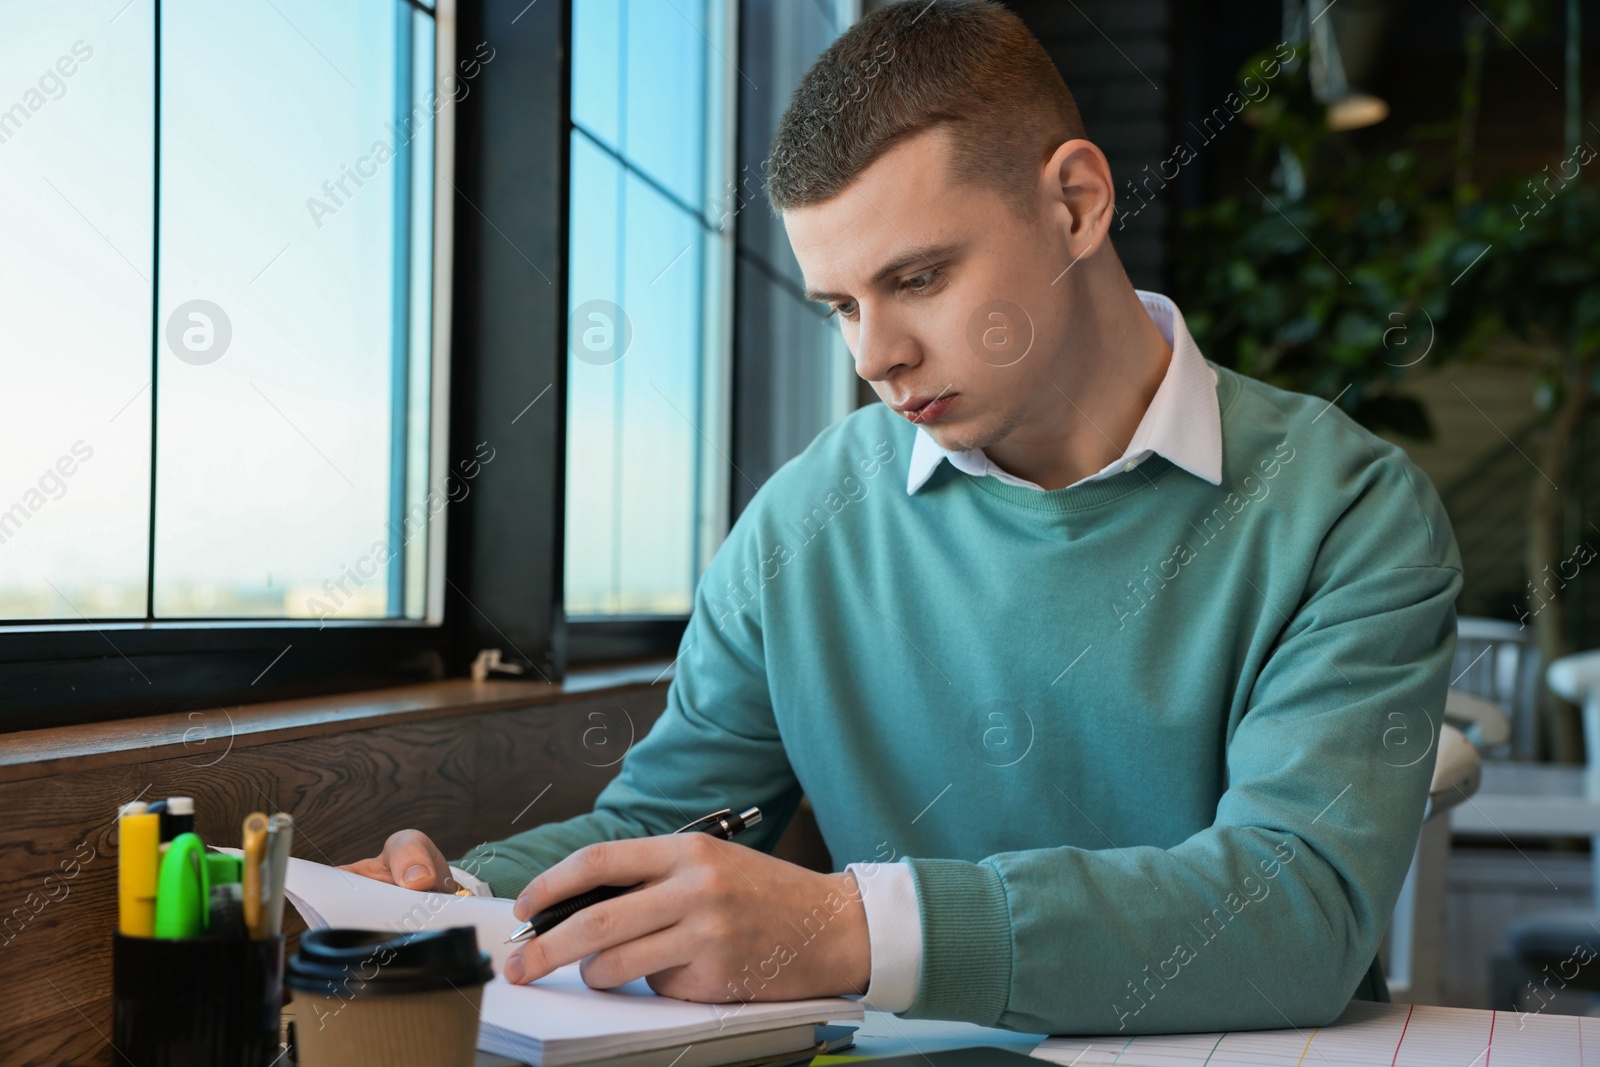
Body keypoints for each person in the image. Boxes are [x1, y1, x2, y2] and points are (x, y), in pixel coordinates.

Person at [343, 0, 1461, 1035]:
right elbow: (668, 825)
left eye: (919, 278)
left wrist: (844, 927)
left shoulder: (1346, 511)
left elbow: (1296, 914)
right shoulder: (799, 522)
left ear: (1073, 205)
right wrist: (463, 889)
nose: (875, 356)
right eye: (839, 305)